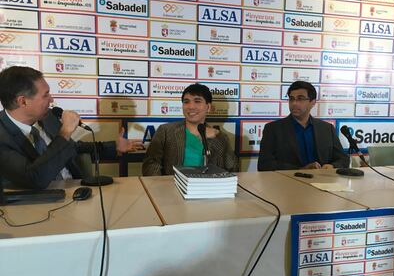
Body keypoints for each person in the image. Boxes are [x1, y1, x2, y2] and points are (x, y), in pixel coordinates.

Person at [0, 66, 141, 190]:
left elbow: (73, 148)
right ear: (22, 101)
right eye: (45, 95)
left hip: (75, 191)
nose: (51, 99)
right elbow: (35, 179)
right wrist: (65, 132)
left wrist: (114, 146)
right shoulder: (2, 136)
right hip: (35, 206)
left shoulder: (47, 117)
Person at [142, 83, 238, 176]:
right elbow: (150, 163)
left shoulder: (220, 137)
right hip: (172, 188)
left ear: (208, 107)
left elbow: (232, 169)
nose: (191, 107)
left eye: (197, 101)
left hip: (208, 189)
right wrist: (163, 185)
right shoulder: (166, 131)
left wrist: (217, 139)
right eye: (186, 102)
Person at [258, 81, 349, 171]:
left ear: (312, 102)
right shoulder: (273, 129)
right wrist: (301, 169)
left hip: (323, 182)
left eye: (300, 99)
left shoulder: (326, 128)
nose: (294, 103)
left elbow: (343, 159)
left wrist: (332, 166)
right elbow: (264, 164)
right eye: (291, 99)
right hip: (287, 183)